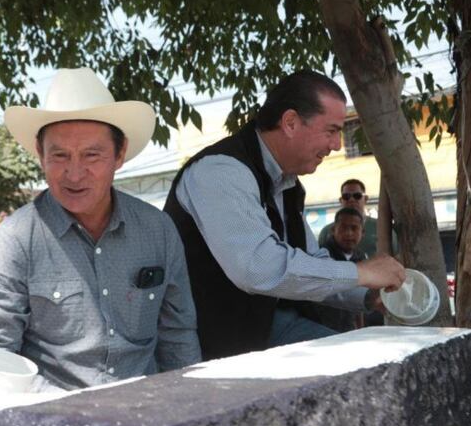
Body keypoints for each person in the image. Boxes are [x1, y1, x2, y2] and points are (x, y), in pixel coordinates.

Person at [0, 67, 201, 392]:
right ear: (40, 154)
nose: (74, 174)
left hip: (146, 414)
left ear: (119, 154)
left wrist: (189, 404)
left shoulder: (158, 230)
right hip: (53, 422)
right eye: (60, 155)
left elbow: (178, 334)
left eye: (92, 155)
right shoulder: (14, 242)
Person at [164, 70, 405, 360]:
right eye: (331, 130)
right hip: (209, 343)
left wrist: (368, 293)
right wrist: (361, 272)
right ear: (290, 122)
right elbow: (258, 268)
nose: (337, 145)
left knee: (373, 362)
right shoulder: (220, 172)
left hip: (265, 328)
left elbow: (311, 264)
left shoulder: (287, 185)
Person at [313, 208, 368, 332]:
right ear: (333, 230)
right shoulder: (321, 255)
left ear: (362, 232)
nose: (349, 233)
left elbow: (360, 301)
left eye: (354, 228)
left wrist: (361, 329)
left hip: (349, 330)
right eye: (343, 228)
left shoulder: (362, 259)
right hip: (320, 329)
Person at [316, 178, 393, 257]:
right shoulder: (326, 231)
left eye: (357, 196)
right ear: (341, 200)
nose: (351, 200)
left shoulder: (382, 228)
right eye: (346, 196)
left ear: (365, 199)